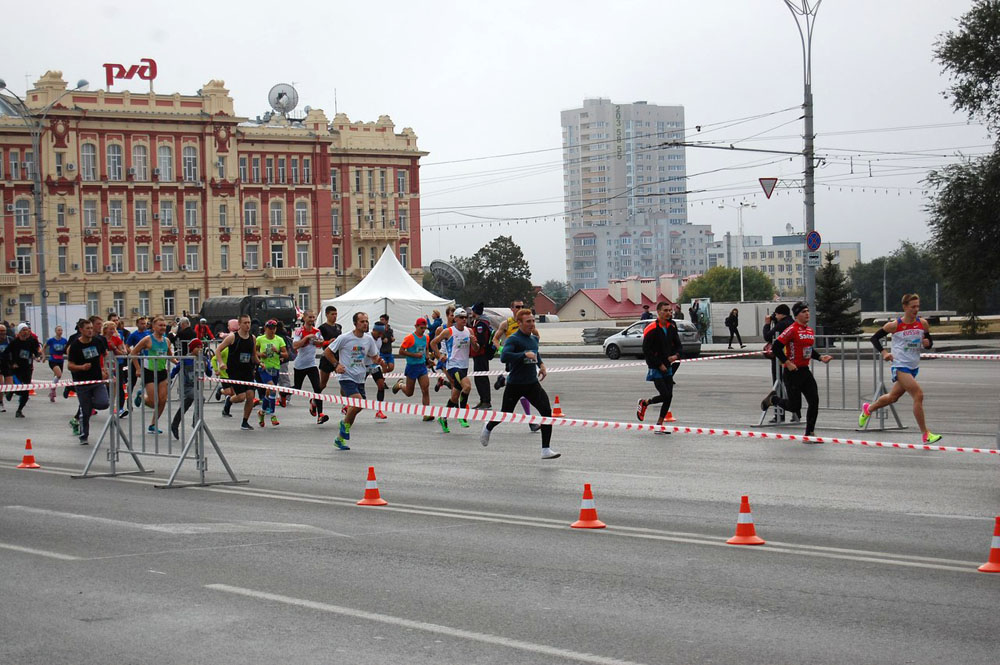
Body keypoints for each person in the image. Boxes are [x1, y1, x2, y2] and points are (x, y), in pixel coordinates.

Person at [859, 293, 941, 443]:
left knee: (893, 397)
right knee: (918, 395)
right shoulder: (894, 325)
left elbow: (929, 343)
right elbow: (874, 338)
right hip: (900, 365)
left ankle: (868, 409)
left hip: (913, 367)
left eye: (918, 306)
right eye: (912, 307)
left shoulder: (923, 324)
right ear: (905, 307)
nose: (916, 310)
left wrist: (928, 344)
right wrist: (884, 353)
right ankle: (925, 434)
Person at [480, 309, 559, 459]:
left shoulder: (534, 338)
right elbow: (504, 357)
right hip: (515, 384)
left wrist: (541, 365)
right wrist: (523, 354)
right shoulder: (513, 339)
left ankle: (545, 449)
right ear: (519, 323)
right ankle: (488, 427)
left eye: (533, 321)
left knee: (546, 412)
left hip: (532, 384)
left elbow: (535, 352)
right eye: (528, 321)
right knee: (505, 414)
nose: (532, 324)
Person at [762, 302, 833, 440]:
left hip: (805, 371)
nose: (807, 314)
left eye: (808, 311)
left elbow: (808, 349)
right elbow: (776, 347)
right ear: (797, 315)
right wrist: (787, 362)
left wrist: (820, 357)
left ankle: (810, 432)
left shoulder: (809, 331)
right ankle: (773, 399)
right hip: (792, 373)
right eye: (803, 312)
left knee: (814, 401)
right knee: (794, 406)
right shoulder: (792, 329)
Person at [327, 311, 384, 451]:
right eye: (362, 321)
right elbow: (328, 352)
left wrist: (379, 361)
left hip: (360, 376)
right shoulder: (345, 338)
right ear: (355, 323)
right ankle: (344, 426)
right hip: (346, 376)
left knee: (359, 406)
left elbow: (373, 356)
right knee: (357, 401)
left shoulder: (368, 339)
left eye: (366, 321)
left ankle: (340, 437)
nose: (365, 324)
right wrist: (336, 365)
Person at [636, 302, 683, 433]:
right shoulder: (651, 328)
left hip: (668, 365)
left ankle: (659, 425)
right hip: (655, 367)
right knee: (665, 394)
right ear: (658, 312)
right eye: (666, 310)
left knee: (669, 396)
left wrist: (676, 356)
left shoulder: (672, 326)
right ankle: (644, 403)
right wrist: (659, 364)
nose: (669, 313)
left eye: (670, 310)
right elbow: (646, 350)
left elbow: (678, 345)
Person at [430, 307, 478, 433]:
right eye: (461, 317)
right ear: (455, 318)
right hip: (453, 365)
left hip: (464, 365)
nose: (464, 319)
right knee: (467, 387)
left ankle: (443, 417)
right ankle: (462, 416)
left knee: (455, 397)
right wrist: (439, 355)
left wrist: (474, 343)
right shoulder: (449, 331)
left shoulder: (469, 331)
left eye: (465, 317)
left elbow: (476, 349)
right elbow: (433, 343)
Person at [65, 318, 109, 444]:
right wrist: (81, 367)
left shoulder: (97, 341)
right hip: (82, 382)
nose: (90, 331)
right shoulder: (75, 346)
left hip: (97, 380)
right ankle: (84, 436)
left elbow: (104, 355)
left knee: (104, 403)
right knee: (85, 412)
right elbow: (70, 365)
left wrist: (104, 369)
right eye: (87, 328)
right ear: (81, 330)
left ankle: (88, 405)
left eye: (91, 328)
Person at [130, 315, 175, 434]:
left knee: (163, 399)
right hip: (149, 372)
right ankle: (141, 397)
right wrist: (138, 369)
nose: (163, 328)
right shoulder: (147, 339)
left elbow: (169, 355)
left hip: (162, 372)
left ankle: (153, 424)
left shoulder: (167, 340)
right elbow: (133, 353)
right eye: (160, 325)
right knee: (153, 401)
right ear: (154, 327)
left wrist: (178, 362)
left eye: (164, 325)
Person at [216, 314, 259, 430]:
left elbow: (254, 355)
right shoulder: (232, 337)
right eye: (245, 323)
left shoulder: (252, 338)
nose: (247, 325)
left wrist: (260, 364)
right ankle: (229, 401)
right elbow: (218, 350)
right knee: (241, 397)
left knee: (250, 396)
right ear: (239, 324)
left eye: (249, 322)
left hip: (248, 371)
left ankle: (245, 422)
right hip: (235, 371)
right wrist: (221, 363)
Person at [392, 317, 435, 421]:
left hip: (422, 367)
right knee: (409, 393)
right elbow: (401, 351)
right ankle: (400, 385)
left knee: (425, 389)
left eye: (425, 328)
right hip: (412, 367)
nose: (423, 330)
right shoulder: (409, 338)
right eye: (421, 328)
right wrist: (413, 355)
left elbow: (426, 350)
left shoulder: (426, 338)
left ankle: (426, 413)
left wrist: (428, 360)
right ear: (416, 326)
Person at [762, 304, 797, 423]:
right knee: (792, 386)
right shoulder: (792, 322)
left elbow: (767, 337)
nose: (775, 316)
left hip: (780, 359)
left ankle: (779, 415)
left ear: (781, 314)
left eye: (776, 314)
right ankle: (796, 413)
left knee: (778, 385)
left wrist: (767, 323)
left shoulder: (781, 324)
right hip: (792, 358)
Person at [292, 311, 328, 425]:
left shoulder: (317, 331)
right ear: (304, 318)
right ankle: (283, 394)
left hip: (311, 365)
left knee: (317, 389)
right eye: (310, 317)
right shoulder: (299, 331)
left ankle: (320, 415)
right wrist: (307, 337)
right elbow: (295, 345)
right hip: (300, 365)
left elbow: (321, 343)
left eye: (313, 317)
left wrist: (318, 341)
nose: (312, 319)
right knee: (297, 388)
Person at [255, 319, 288, 427]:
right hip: (264, 368)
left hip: (275, 367)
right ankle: (273, 414)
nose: (272, 330)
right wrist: (260, 355)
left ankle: (262, 412)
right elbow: (254, 352)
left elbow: (286, 354)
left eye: (274, 328)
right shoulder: (260, 339)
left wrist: (277, 351)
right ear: (265, 329)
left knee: (269, 392)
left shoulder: (279, 340)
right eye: (269, 328)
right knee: (273, 389)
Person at [5, 323, 42, 418]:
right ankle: (11, 391)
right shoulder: (14, 342)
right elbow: (5, 354)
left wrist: (38, 357)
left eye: (27, 330)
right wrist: (12, 363)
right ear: (19, 332)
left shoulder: (31, 341)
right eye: (23, 330)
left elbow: (35, 351)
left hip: (27, 369)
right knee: (19, 389)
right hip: (16, 370)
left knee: (26, 392)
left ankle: (19, 410)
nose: (26, 332)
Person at [469, 302, 494, 409]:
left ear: (475, 311)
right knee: (479, 378)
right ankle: (483, 400)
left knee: (481, 378)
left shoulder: (481, 324)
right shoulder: (480, 322)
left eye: (472, 311)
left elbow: (481, 340)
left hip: (481, 354)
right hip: (478, 354)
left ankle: (486, 401)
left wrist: (476, 345)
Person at [101, 321, 129, 417]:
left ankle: (119, 408)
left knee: (119, 385)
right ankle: (107, 403)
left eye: (114, 329)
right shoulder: (101, 339)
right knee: (107, 385)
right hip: (104, 365)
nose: (113, 331)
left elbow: (124, 352)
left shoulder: (116, 339)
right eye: (111, 329)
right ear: (105, 330)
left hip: (117, 365)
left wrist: (115, 349)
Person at [317, 305, 343, 394]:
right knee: (323, 384)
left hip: (338, 357)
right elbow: (319, 343)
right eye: (332, 314)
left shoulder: (339, 327)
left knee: (343, 382)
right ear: (327, 315)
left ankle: (345, 404)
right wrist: (328, 342)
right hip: (327, 357)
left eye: (336, 314)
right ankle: (314, 398)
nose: (334, 316)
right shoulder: (322, 328)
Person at [124, 316, 150, 403]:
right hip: (136, 361)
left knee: (148, 379)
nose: (144, 325)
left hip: (147, 360)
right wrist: (132, 352)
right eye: (142, 324)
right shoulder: (134, 335)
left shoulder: (148, 333)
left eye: (145, 323)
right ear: (137, 324)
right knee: (132, 382)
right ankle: (128, 399)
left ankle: (141, 394)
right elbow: (127, 346)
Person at [44, 325, 68, 402]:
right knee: (59, 374)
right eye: (58, 330)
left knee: (57, 377)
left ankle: (52, 392)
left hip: (60, 359)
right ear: (55, 331)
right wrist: (43, 356)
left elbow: (68, 349)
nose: (60, 332)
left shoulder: (64, 340)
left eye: (61, 330)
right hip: (53, 360)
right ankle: (52, 390)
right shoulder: (51, 340)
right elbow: (44, 347)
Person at [0, 323, 11, 412]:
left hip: (7, 364)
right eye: (0, 331)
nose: (2, 333)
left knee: (10, 387)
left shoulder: (9, 340)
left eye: (4, 331)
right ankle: (0, 402)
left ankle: (8, 395)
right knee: (1, 384)